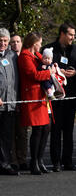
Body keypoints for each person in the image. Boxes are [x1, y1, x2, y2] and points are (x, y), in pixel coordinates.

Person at [43, 23, 76, 172]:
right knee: (56, 131)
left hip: (71, 96)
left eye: (74, 35)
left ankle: (68, 161)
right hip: (55, 96)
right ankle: (56, 162)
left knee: (69, 131)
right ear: (62, 34)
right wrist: (55, 71)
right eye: (70, 34)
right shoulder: (49, 49)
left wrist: (75, 72)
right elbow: (43, 67)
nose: (73, 37)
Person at [18, 32, 57, 175]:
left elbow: (48, 63)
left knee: (46, 127)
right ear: (34, 43)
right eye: (40, 42)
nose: (41, 45)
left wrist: (55, 68)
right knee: (37, 129)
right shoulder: (25, 56)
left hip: (42, 98)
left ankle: (40, 160)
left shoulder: (37, 56)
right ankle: (34, 161)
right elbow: (34, 75)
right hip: (33, 97)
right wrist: (49, 73)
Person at [0, 28, 20, 176]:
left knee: (7, 135)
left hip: (10, 103)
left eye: (5, 41)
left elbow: (16, 79)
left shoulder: (13, 56)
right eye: (0, 40)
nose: (3, 43)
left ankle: (5, 163)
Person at [8, 34, 29, 171]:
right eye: (13, 42)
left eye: (18, 41)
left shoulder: (25, 57)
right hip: (10, 99)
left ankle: (22, 159)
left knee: (23, 132)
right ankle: (13, 160)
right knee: (11, 132)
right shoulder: (8, 57)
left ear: (22, 43)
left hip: (24, 98)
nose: (15, 44)